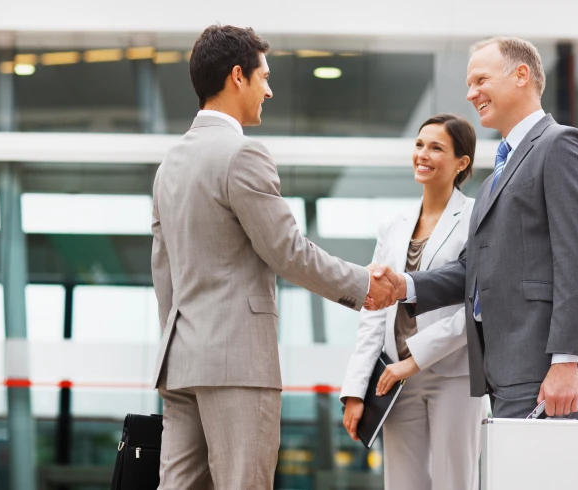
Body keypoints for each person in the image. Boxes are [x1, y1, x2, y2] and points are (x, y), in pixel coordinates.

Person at [150, 25, 399, 489]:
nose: (270, 88)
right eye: (264, 76)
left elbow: (163, 272)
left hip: (181, 360)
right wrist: (363, 285)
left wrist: (181, 340)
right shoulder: (241, 155)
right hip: (238, 362)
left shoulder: (170, 166)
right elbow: (287, 251)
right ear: (237, 76)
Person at [371, 36, 578, 419]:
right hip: (501, 367)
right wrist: (405, 285)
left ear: (521, 75)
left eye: (480, 80)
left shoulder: (562, 145)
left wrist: (566, 363)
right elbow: (474, 269)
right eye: (469, 84)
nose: (470, 94)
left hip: (540, 364)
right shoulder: (498, 173)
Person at [341, 114, 490, 490]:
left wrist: (415, 360)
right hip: (393, 379)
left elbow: (475, 306)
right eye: (420, 144)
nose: (422, 154)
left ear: (462, 163)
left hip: (452, 375)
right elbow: (373, 312)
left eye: (436, 147)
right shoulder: (393, 225)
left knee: (453, 483)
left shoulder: (477, 219)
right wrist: (356, 390)